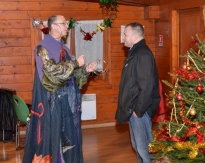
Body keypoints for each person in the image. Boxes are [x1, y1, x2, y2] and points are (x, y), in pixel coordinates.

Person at [23, 14, 97, 163]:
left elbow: (72, 77)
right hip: (53, 105)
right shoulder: (42, 49)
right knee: (54, 141)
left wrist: (85, 70)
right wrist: (75, 63)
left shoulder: (65, 48)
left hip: (69, 103)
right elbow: (52, 74)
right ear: (54, 26)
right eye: (63, 24)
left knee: (71, 139)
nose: (66, 27)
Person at [115, 22, 160, 163]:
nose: (123, 38)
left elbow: (147, 86)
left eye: (125, 35)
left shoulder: (142, 54)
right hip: (134, 108)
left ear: (135, 36)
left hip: (140, 110)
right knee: (138, 147)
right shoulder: (135, 52)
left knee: (145, 149)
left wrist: (138, 110)